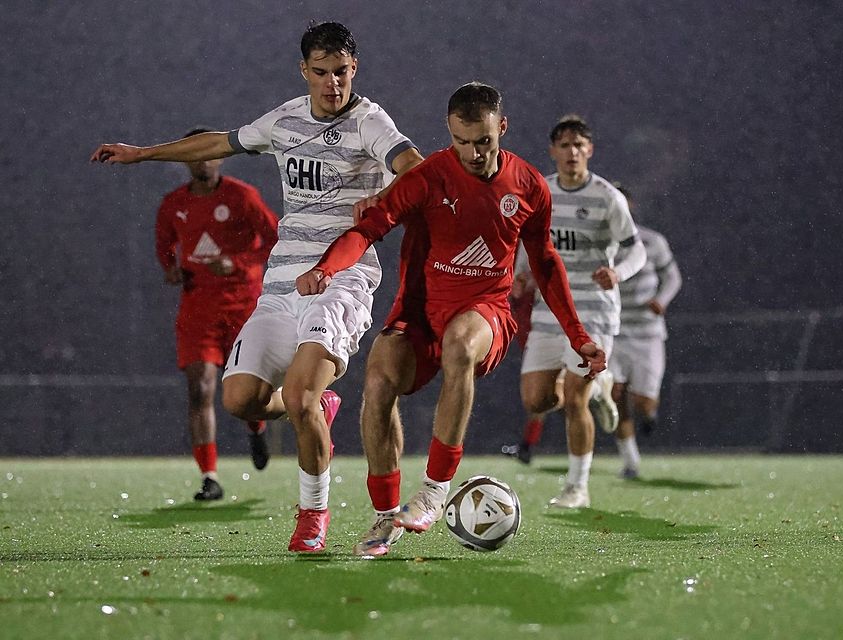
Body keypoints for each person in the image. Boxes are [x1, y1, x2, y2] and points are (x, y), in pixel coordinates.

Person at [91, 22, 423, 552]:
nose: (332, 83)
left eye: (341, 72)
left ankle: (313, 516)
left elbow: (415, 168)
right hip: (282, 283)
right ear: (304, 71)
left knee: (298, 394)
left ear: (353, 69)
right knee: (240, 399)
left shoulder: (369, 122)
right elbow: (221, 141)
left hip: (343, 280)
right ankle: (316, 407)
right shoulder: (286, 118)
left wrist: (385, 202)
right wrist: (144, 153)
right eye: (321, 72)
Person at [294, 82, 607, 557]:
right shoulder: (426, 177)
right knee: (378, 378)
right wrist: (325, 268)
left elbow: (544, 262)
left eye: (484, 141)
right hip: (420, 315)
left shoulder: (528, 185)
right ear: (449, 131)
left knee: (461, 343)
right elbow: (367, 230)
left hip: (487, 314)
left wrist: (578, 336)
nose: (474, 153)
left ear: (501, 128)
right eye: (463, 142)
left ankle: (436, 490)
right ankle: (386, 518)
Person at [504, 115, 647, 508]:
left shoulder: (606, 197)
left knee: (573, 398)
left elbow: (637, 248)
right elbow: (524, 242)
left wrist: (617, 272)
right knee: (535, 400)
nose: (572, 152)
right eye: (564, 146)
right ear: (553, 151)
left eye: (579, 145)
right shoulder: (540, 191)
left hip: (594, 313)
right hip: (550, 312)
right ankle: (601, 388)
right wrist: (519, 276)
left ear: (590, 151)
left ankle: (577, 487)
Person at [155, 127, 279, 500]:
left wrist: (238, 263)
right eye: (193, 154)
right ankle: (209, 477)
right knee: (200, 388)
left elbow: (275, 239)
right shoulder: (173, 204)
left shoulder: (242, 196)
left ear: (220, 157)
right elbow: (164, 246)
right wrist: (170, 269)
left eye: (208, 153)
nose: (202, 160)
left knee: (248, 391)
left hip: (244, 305)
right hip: (198, 308)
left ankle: (256, 429)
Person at [608, 184, 682, 479]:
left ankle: (649, 415)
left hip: (648, 333)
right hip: (612, 331)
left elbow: (673, 276)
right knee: (615, 396)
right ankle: (631, 461)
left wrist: (661, 300)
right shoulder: (598, 242)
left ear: (631, 207)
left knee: (643, 403)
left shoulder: (652, 241)